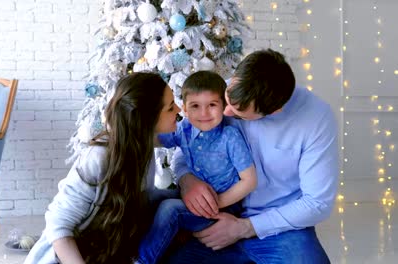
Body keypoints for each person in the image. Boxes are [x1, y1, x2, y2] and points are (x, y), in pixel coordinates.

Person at [166, 49, 339, 263]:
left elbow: (317, 203)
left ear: (274, 111)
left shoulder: (316, 118)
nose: (225, 113)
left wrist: (245, 228)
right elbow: (186, 147)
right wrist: (187, 180)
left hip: (276, 226)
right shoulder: (219, 92)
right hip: (214, 216)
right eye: (227, 99)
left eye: (239, 114)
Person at [24, 72, 181, 264]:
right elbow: (58, 227)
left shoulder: (144, 150)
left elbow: (144, 198)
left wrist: (187, 191)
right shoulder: (98, 159)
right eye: (171, 107)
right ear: (147, 119)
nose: (179, 110)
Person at [136, 71, 257, 264]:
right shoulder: (184, 128)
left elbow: (249, 180)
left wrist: (217, 203)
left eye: (212, 105)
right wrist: (124, 133)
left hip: (223, 207)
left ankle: (143, 261)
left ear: (223, 106)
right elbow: (155, 139)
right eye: (195, 106)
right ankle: (129, 247)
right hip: (192, 196)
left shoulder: (229, 137)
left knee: (170, 209)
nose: (204, 113)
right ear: (184, 108)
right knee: (151, 197)